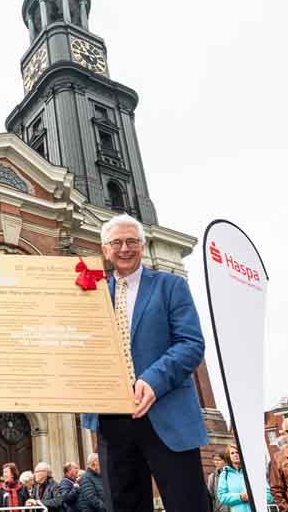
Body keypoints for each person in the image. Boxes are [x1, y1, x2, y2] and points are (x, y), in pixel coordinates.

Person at [81, 213, 211, 512]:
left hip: (166, 412)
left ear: (142, 245)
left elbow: (191, 344)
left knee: (187, 504)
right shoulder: (90, 295)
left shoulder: (170, 285)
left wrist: (153, 380)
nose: (125, 248)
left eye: (132, 241)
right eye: (117, 243)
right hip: (112, 420)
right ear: (105, 249)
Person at [217, 445, 254, 512]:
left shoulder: (252, 471)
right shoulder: (225, 474)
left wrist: (253, 496)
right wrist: (240, 497)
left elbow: (268, 494)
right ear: (229, 456)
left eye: (237, 452)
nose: (235, 455)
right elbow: (222, 496)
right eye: (232, 453)